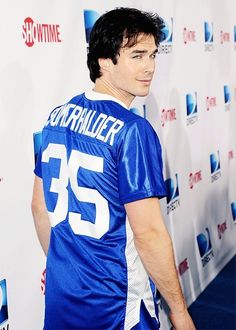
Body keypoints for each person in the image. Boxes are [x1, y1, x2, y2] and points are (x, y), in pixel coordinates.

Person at [31, 7, 195, 330]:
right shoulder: (133, 130)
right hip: (117, 305)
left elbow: (38, 207)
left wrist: (74, 269)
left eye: (152, 55)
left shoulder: (55, 117)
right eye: (137, 56)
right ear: (104, 61)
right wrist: (178, 311)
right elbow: (148, 234)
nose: (149, 67)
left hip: (64, 297)